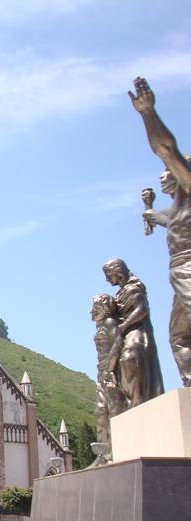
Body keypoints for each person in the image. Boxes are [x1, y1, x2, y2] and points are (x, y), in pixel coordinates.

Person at [131, 77, 191, 386]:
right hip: (178, 272)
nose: (163, 176)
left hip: (189, 268)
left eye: (169, 172)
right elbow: (154, 217)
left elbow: (166, 148)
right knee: (178, 336)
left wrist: (148, 114)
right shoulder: (175, 211)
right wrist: (148, 210)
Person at [102, 259, 164, 405]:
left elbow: (142, 310)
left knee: (130, 359)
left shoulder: (133, 289)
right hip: (126, 333)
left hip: (136, 332)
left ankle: (138, 400)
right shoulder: (121, 293)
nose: (106, 279)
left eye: (108, 275)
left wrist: (124, 326)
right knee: (125, 365)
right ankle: (135, 400)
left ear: (117, 272)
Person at [91, 294, 127, 445]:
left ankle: (118, 446)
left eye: (95, 309)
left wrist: (110, 369)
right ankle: (104, 449)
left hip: (110, 374)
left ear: (104, 309)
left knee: (114, 410)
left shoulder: (111, 323)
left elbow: (118, 344)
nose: (91, 313)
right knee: (101, 410)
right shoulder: (101, 326)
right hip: (102, 372)